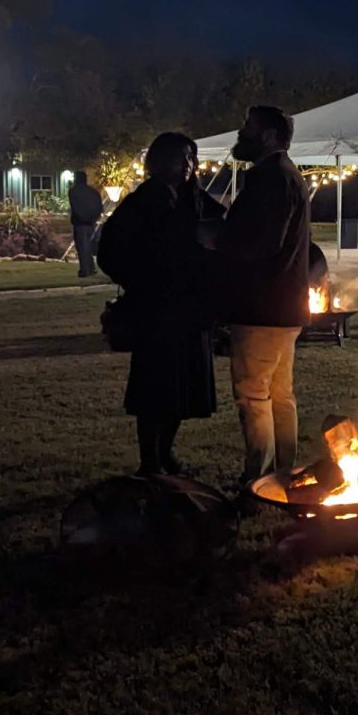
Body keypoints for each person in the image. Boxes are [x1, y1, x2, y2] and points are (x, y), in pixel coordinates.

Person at [97, 134, 220, 474]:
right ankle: (150, 461)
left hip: (191, 310)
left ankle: (165, 453)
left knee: (183, 392)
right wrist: (142, 280)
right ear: (160, 161)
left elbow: (222, 229)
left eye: (191, 158)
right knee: (156, 390)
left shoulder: (195, 199)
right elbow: (109, 251)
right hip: (156, 311)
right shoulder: (141, 204)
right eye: (181, 158)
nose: (188, 166)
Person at [216, 106, 312, 485]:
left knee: (254, 395)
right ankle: (284, 471)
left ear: (270, 136)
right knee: (278, 394)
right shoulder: (287, 175)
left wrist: (218, 241)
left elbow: (262, 241)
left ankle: (260, 478)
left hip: (261, 305)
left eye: (248, 128)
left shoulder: (270, 178)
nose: (242, 133)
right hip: (285, 305)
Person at [69, 169, 105, 277]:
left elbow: (75, 206)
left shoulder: (74, 191)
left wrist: (81, 216)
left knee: (82, 246)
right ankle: (91, 268)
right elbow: (99, 206)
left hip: (80, 222)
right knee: (87, 245)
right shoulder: (93, 192)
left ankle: (85, 270)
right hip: (91, 222)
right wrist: (94, 217)